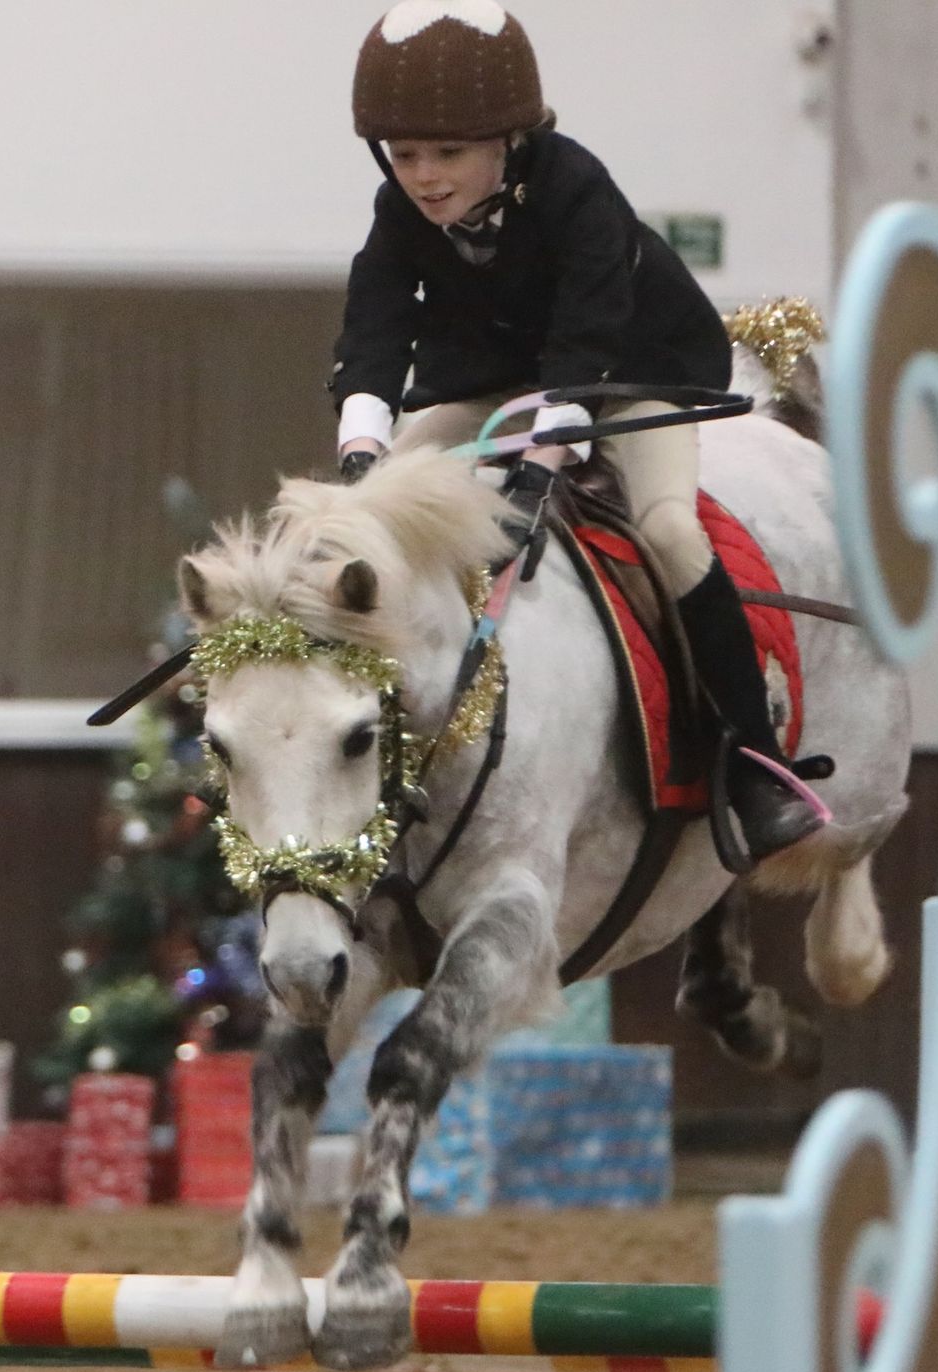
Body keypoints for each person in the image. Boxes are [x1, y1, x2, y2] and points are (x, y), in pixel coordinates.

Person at [331, 0, 824, 862]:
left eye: (449, 152)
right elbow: (376, 324)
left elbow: (586, 340)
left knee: (669, 527)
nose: (425, 176)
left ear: (511, 140)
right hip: (503, 381)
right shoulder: (398, 209)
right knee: (369, 515)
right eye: (406, 154)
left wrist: (539, 465)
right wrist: (363, 446)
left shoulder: (576, 188)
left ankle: (753, 757)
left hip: (636, 372)